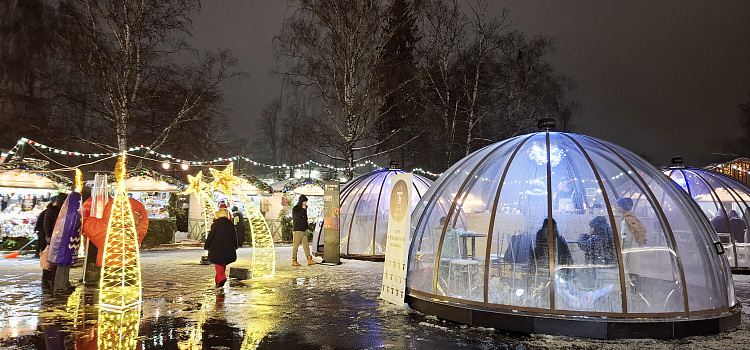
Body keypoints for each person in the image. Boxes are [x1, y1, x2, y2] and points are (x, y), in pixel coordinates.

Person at [82, 197, 149, 267]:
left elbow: (90, 226)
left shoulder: (105, 228)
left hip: (107, 262)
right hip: (128, 263)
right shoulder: (133, 230)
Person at [616, 197, 646, 291]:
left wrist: (639, 241)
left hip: (630, 249)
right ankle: (633, 290)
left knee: (632, 270)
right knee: (629, 269)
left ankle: (635, 291)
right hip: (628, 249)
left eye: (619, 206)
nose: (617, 207)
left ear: (624, 207)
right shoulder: (626, 218)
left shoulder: (629, 219)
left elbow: (640, 230)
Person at [204, 206, 238, 287]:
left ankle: (222, 278)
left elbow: (211, 235)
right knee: (223, 264)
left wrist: (207, 245)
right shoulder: (230, 224)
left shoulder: (216, 224)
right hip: (228, 247)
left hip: (216, 247)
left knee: (218, 264)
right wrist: (235, 245)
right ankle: (218, 280)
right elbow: (234, 236)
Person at [42, 194, 67, 289]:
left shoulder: (63, 211)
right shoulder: (52, 210)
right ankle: (48, 276)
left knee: (55, 257)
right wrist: (48, 236)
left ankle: (52, 277)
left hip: (59, 237)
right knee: (50, 256)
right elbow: (46, 224)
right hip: (52, 237)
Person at [292, 195, 318, 266]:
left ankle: (309, 258)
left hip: (304, 229)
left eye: (306, 202)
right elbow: (297, 216)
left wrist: (307, 226)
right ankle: (294, 259)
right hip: (298, 230)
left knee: (306, 245)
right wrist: (303, 209)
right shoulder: (296, 208)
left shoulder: (305, 208)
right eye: (304, 201)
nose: (305, 203)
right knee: (296, 245)